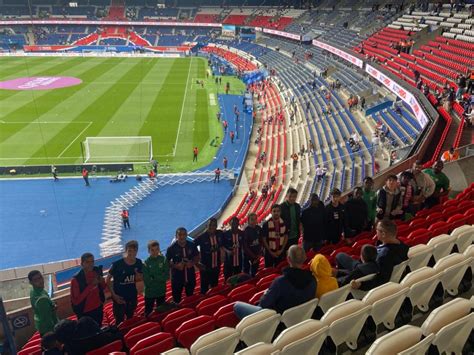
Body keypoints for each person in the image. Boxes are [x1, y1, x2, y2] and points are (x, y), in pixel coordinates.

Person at [233, 245, 316, 318]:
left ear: (289, 259)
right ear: (304, 258)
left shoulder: (280, 282)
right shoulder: (312, 280)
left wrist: (265, 294)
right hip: (299, 316)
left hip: (277, 318)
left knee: (236, 306)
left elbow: (264, 304)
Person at [348, 220, 408, 291]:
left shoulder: (384, 256)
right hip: (368, 266)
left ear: (383, 234)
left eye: (377, 230)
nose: (376, 232)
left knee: (340, 256)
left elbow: (382, 280)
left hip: (365, 270)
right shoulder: (403, 246)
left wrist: (361, 285)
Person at [106, 240, 143, 325]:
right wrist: (114, 295)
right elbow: (107, 280)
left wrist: (138, 275)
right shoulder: (117, 264)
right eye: (130, 251)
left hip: (132, 296)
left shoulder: (139, 262)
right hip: (119, 297)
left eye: (134, 251)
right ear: (125, 251)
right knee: (119, 321)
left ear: (137, 251)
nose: (132, 253)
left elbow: (140, 277)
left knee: (130, 317)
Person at [70, 253, 105, 325]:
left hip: (98, 308)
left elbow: (103, 288)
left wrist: (102, 282)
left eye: (92, 261)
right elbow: (76, 301)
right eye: (87, 262)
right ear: (82, 264)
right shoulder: (76, 280)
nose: (91, 264)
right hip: (85, 312)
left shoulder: (96, 271)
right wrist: (91, 285)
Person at [166, 227, 199, 303]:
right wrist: (176, 266)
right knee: (176, 299)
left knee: (190, 297)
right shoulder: (171, 248)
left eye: (184, 234)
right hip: (177, 278)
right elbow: (167, 262)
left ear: (187, 235)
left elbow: (197, 256)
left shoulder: (192, 245)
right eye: (180, 235)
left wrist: (192, 263)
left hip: (190, 276)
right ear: (176, 236)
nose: (182, 237)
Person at [194, 219, 223, 295]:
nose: (212, 227)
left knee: (215, 286)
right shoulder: (201, 237)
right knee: (204, 289)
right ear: (207, 226)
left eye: (214, 225)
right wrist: (197, 263)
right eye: (210, 225)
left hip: (216, 265)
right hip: (205, 267)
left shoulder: (220, 234)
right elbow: (191, 248)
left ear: (216, 226)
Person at [143, 240, 169, 317]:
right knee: (148, 313)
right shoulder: (146, 263)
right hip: (150, 293)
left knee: (161, 313)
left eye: (157, 249)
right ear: (148, 251)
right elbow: (147, 281)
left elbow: (166, 276)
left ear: (159, 249)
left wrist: (154, 277)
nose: (155, 252)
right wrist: (160, 277)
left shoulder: (163, 260)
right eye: (152, 250)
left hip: (161, 291)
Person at [29, 270, 58, 336]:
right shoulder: (41, 299)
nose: (40, 281)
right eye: (36, 280)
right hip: (49, 329)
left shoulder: (35, 290)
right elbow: (47, 320)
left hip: (41, 326)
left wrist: (52, 304)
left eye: (40, 277)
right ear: (31, 282)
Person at [242, 212, 263, 277]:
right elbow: (245, 247)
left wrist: (259, 254)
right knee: (248, 273)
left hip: (257, 255)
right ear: (248, 221)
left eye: (255, 219)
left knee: (256, 272)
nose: (254, 221)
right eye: (252, 219)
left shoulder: (258, 228)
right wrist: (253, 257)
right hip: (249, 257)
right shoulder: (246, 231)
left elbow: (261, 242)